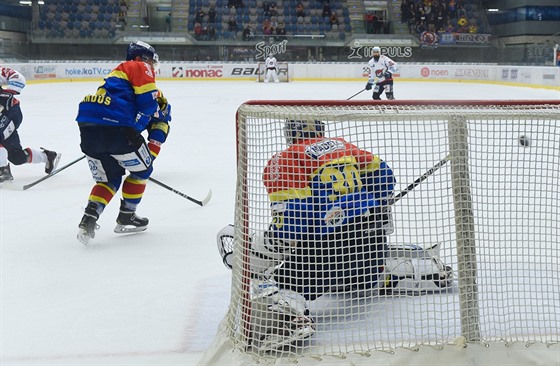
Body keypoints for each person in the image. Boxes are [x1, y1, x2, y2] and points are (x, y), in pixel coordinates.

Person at [216, 119, 453, 351]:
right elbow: (386, 179)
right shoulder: (345, 147)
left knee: (287, 282)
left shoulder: (287, 159)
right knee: (358, 279)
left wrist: (263, 249)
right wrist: (370, 205)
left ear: (290, 133)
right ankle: (427, 271)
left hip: (326, 255)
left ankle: (289, 321)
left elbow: (293, 223)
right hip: (372, 245)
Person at [75, 41, 171, 245]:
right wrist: (146, 162)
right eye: (150, 61)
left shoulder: (116, 80)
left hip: (89, 129)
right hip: (116, 128)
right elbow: (147, 105)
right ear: (141, 58)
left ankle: (89, 219)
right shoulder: (138, 67)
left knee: (108, 180)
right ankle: (127, 215)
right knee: (143, 170)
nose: (152, 67)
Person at [0, 66, 60, 182]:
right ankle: (47, 156)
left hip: (11, 111)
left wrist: (7, 93)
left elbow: (18, 78)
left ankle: (3, 170)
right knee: (16, 157)